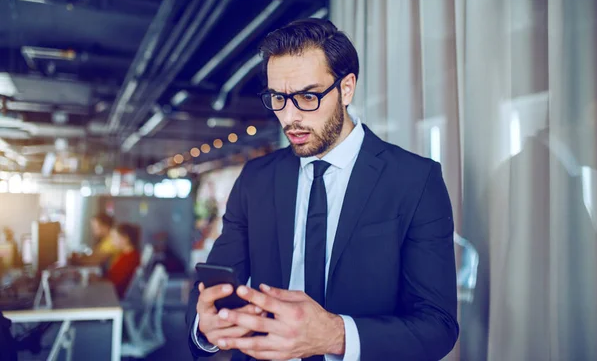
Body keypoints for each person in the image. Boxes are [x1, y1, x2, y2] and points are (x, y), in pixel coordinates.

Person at [186, 19, 459, 361]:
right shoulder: (255, 178)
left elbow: (438, 326)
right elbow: (213, 289)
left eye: (307, 96)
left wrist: (335, 335)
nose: (290, 117)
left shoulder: (415, 180)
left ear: (346, 89)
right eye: (278, 98)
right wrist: (206, 324)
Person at [106, 223, 141, 298]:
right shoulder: (126, 254)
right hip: (110, 290)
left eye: (114, 238)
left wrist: (95, 280)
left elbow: (114, 284)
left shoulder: (130, 259)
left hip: (113, 296)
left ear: (125, 238)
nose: (112, 242)